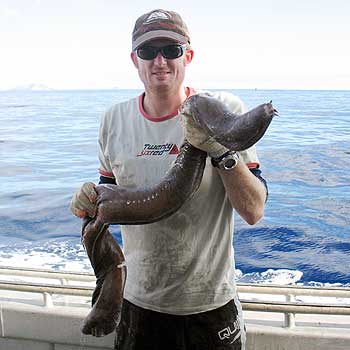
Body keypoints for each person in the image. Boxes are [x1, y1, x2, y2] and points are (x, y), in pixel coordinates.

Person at [71, 9, 268, 350]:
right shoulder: (113, 120)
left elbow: (253, 211)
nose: (159, 61)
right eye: (148, 51)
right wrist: (90, 199)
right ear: (135, 60)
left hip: (210, 306)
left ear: (188, 55)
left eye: (171, 50)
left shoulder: (222, 107)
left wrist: (221, 151)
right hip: (138, 305)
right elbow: (111, 194)